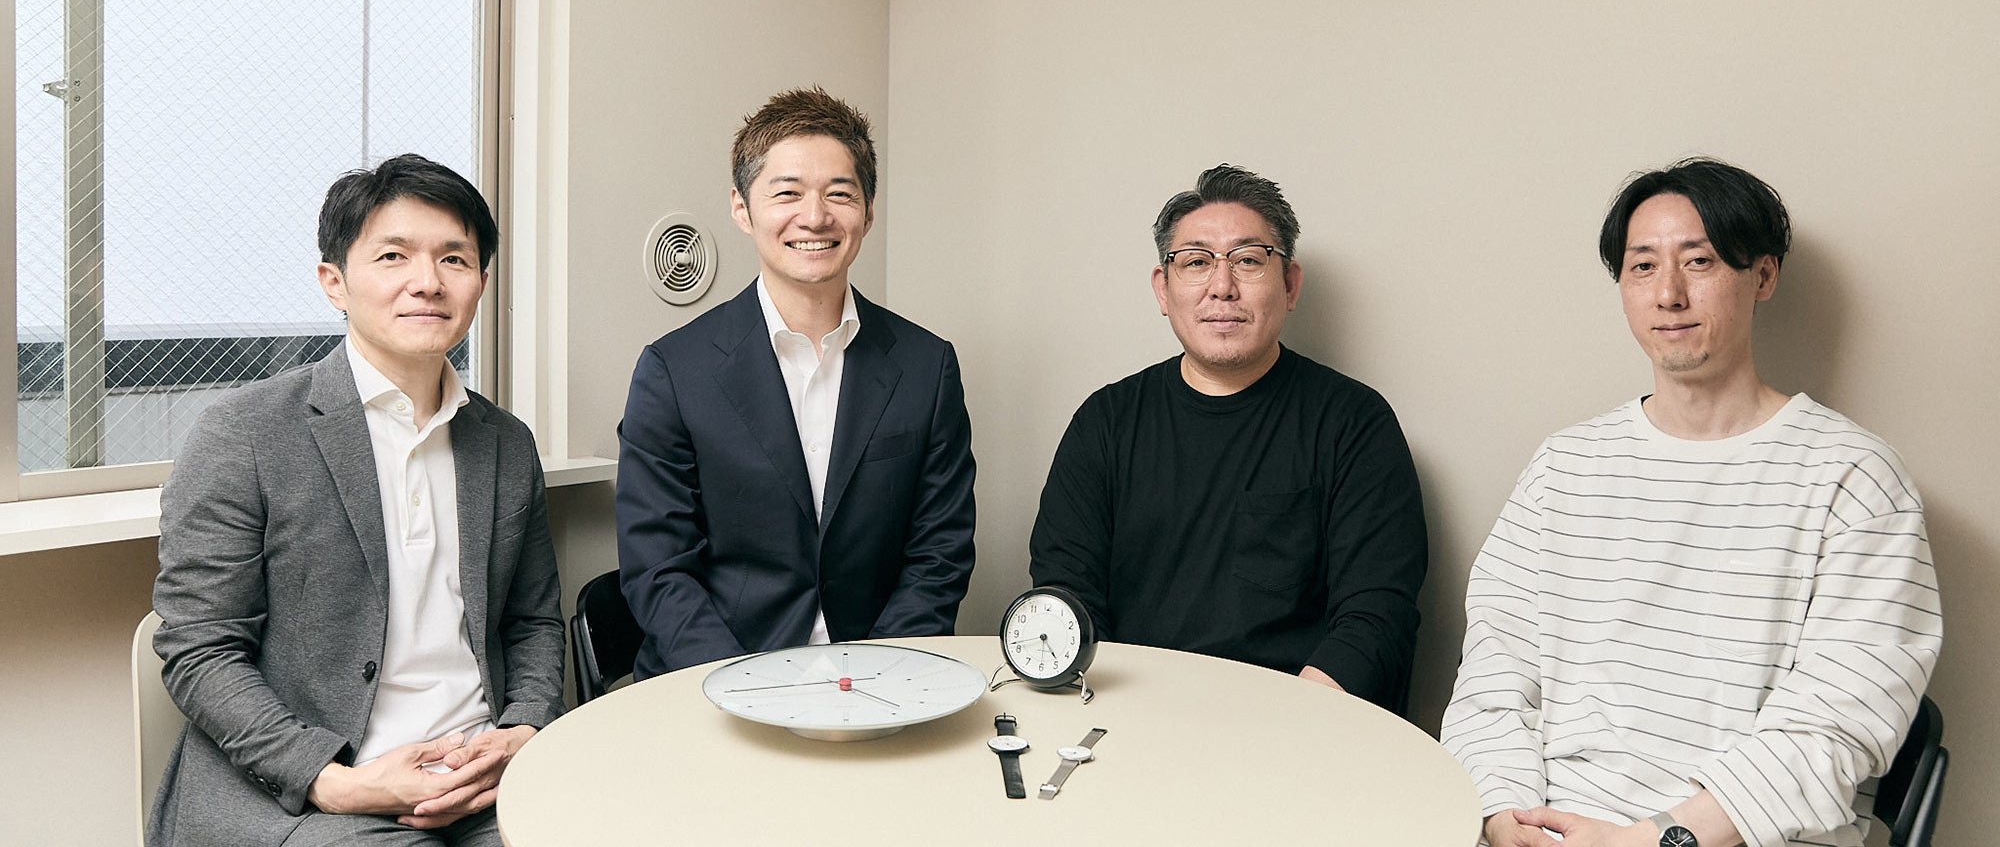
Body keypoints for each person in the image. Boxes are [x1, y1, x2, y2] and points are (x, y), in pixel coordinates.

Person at [1440, 159, 1941, 847]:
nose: (1668, 294)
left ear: (1763, 276)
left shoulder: (1854, 477)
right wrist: (1503, 818)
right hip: (1548, 831)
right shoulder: (1564, 465)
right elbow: (1494, 676)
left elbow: (1835, 727)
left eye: (1699, 262)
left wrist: (1652, 840)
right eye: (1643, 267)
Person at [149, 155, 564, 846]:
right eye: (393, 256)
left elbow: (533, 622)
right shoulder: (245, 433)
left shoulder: (506, 443)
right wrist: (336, 782)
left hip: (483, 776)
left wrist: (524, 730)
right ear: (334, 283)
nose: (427, 282)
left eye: (454, 259)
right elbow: (200, 649)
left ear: (481, 283)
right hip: (312, 792)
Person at [1028, 164, 1427, 711]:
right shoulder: (1106, 421)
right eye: (1196, 262)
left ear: (1290, 284)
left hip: (1295, 721)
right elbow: (1066, 594)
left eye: (1248, 260)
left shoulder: (1354, 423)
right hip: (1132, 717)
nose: (1222, 287)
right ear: (1163, 288)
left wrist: (1288, 723)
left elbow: (1377, 614)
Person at [616, 86, 976, 679]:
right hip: (714, 682)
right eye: (787, 193)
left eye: (840, 193)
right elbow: (658, 569)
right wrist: (747, 687)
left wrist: (873, 677)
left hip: (880, 679)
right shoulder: (673, 371)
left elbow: (940, 553)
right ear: (742, 208)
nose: (815, 217)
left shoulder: (926, 366)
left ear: (868, 212)